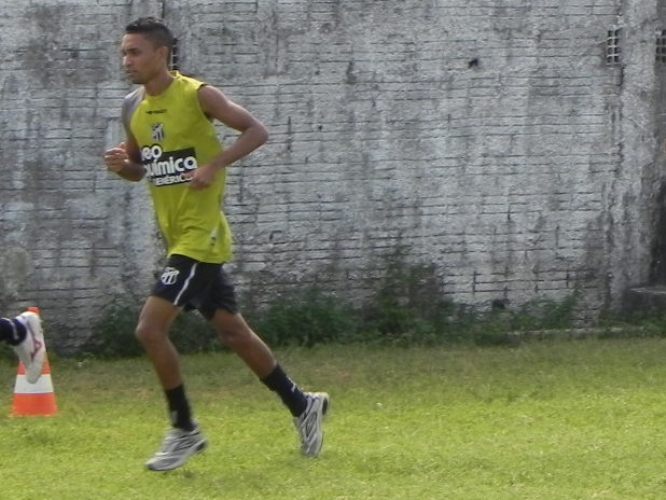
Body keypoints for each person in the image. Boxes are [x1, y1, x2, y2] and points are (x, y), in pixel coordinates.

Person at [103, 17, 329, 472]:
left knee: (149, 329)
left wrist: (214, 165)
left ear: (161, 53)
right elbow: (139, 166)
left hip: (199, 236)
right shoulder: (132, 106)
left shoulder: (197, 94)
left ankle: (185, 429)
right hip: (177, 237)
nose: (126, 60)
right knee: (232, 332)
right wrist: (121, 166)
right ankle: (304, 404)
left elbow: (255, 131)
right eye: (124, 52)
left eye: (135, 52)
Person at [0, 309, 45, 384]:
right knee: (32, 377)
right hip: (17, 337)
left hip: (20, 337)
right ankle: (20, 325)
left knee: (32, 377)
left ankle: (22, 329)